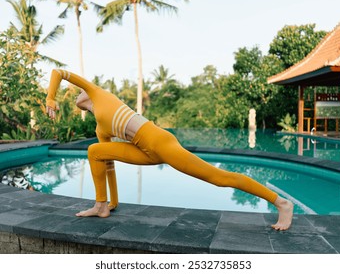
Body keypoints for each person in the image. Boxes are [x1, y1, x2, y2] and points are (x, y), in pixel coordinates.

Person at [46, 69, 293, 231]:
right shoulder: (101, 127)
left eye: (76, 93)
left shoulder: (98, 93)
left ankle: (281, 202)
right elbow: (107, 166)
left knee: (218, 178)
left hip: (159, 142)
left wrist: (50, 98)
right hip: (144, 151)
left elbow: (59, 72)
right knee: (96, 151)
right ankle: (101, 206)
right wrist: (113, 202)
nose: (75, 95)